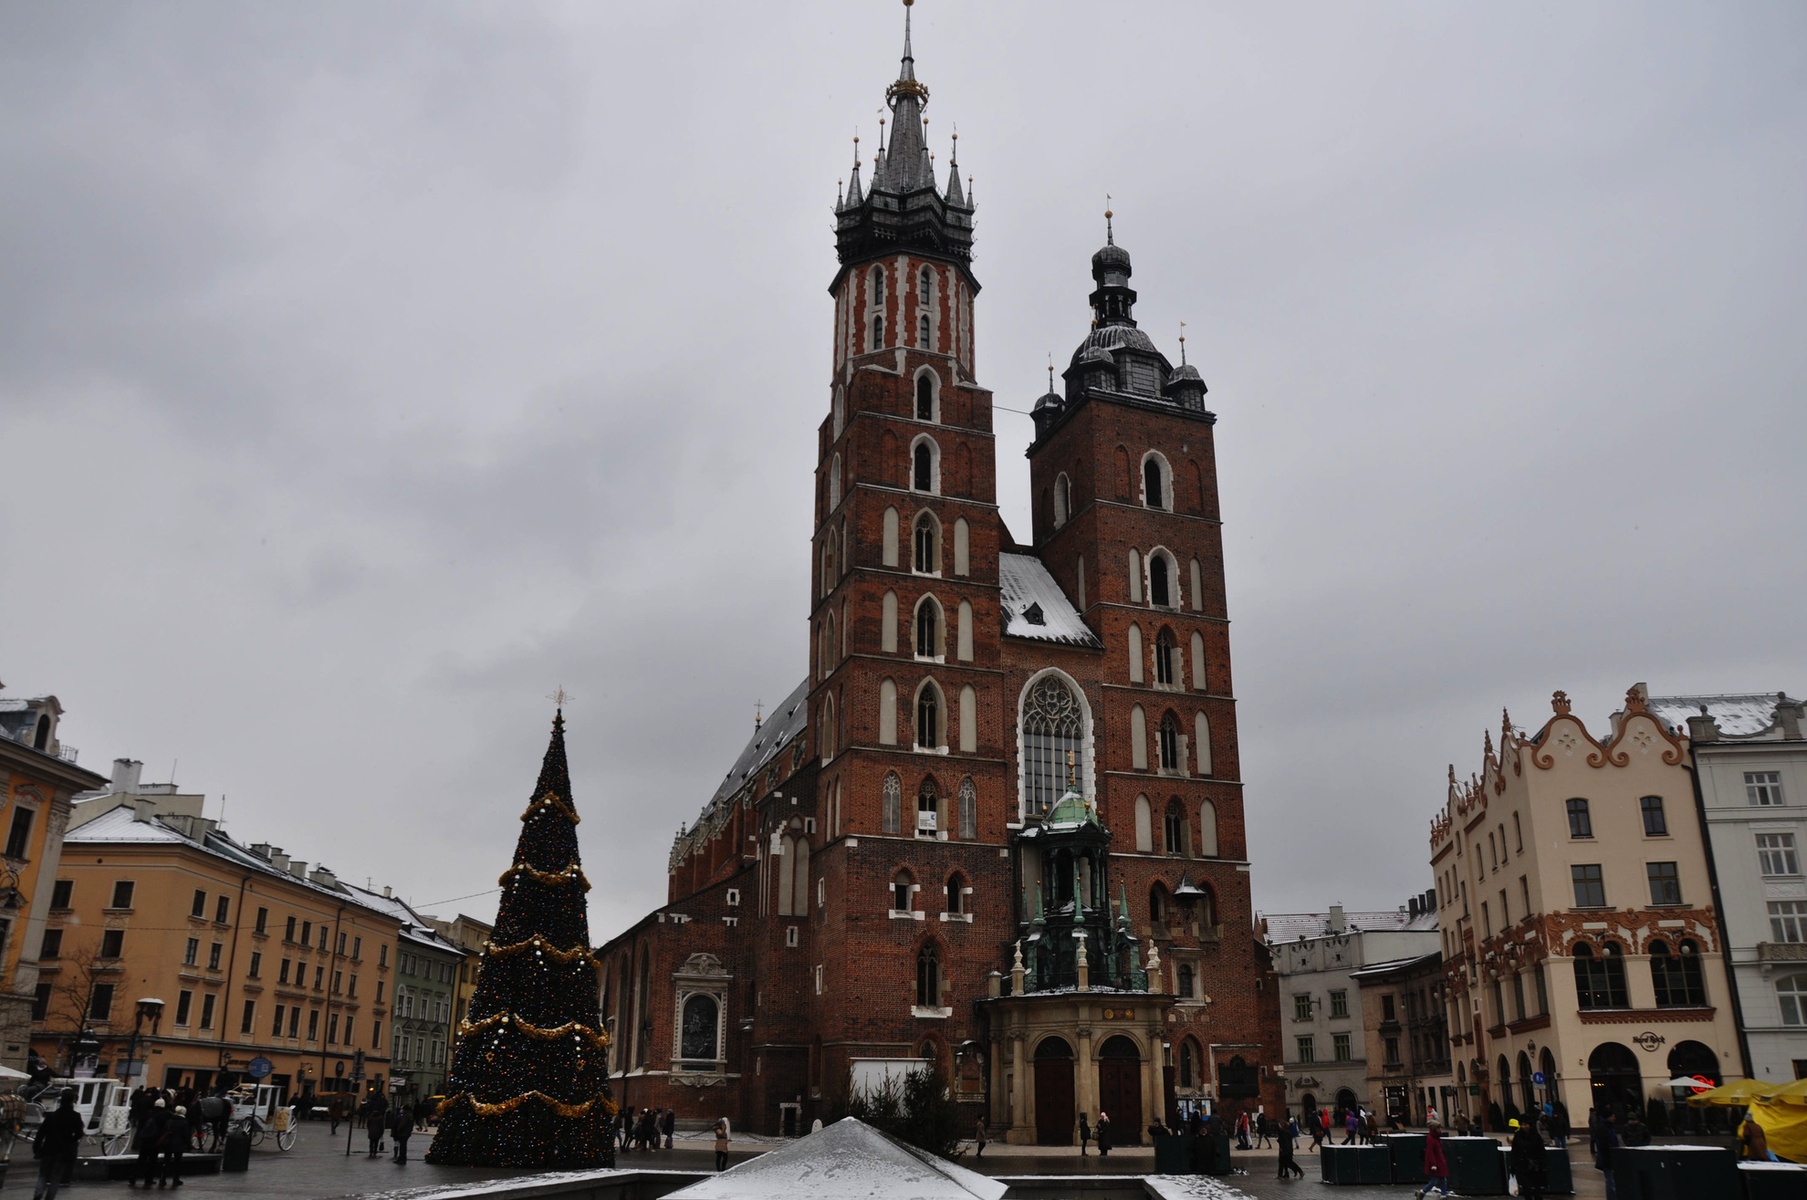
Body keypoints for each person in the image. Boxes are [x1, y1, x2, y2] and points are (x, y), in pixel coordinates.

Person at [32, 1089, 83, 1200]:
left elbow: (41, 1134)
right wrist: (70, 1141)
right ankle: (50, 1198)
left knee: (43, 1174)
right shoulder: (75, 1116)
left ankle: (37, 1195)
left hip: (48, 1149)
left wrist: (37, 1149)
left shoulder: (51, 1116)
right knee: (56, 1177)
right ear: (72, 1102)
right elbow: (79, 1133)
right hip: (62, 1151)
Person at [132, 1097, 169, 1189]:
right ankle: (148, 1179)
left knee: (141, 1159)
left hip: (145, 1140)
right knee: (152, 1161)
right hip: (155, 1141)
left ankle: (133, 1176)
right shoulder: (163, 1115)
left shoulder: (148, 1113)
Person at [1510, 1117, 1549, 1200]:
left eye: (1525, 1124)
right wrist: (1513, 1164)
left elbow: (1541, 1150)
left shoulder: (1536, 1136)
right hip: (1522, 1164)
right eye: (1522, 1125)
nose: (1523, 1126)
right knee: (1526, 1187)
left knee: (1536, 1187)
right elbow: (1514, 1150)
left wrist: (1543, 1163)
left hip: (1535, 1164)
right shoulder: (1518, 1136)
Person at [1414, 1119, 1451, 1199]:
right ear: (1434, 1129)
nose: (1440, 1130)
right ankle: (1422, 1192)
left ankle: (1443, 1195)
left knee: (1443, 1179)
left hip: (1440, 1161)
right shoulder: (1431, 1138)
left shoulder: (1436, 1137)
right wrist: (1433, 1164)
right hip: (1436, 1163)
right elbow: (1429, 1152)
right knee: (1435, 1181)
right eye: (1438, 1128)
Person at [160, 1104, 191, 1188]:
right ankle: (176, 1179)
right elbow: (186, 1135)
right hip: (179, 1144)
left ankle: (163, 1179)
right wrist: (188, 1144)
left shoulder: (169, 1121)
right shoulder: (184, 1122)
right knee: (177, 1162)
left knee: (166, 1161)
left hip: (168, 1143)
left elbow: (164, 1130)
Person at [1592, 1112, 1620, 1200]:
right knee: (1610, 1180)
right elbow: (1604, 1145)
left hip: (1610, 1157)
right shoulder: (1604, 1128)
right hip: (1607, 1158)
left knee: (1611, 1180)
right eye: (1612, 1116)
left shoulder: (1608, 1126)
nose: (1614, 1117)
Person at [1276, 1112, 1304, 1179]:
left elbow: (1286, 1143)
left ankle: (1299, 1171)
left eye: (1279, 1125)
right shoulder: (1284, 1132)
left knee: (1288, 1163)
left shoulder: (1284, 1133)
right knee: (1282, 1162)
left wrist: (1287, 1151)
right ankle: (1284, 1174)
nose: (1279, 1126)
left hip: (1286, 1150)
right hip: (1284, 1150)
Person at [365, 1090, 388, 1158]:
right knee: (376, 1142)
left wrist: (369, 1129)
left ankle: (371, 1151)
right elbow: (381, 1126)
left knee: (371, 1142)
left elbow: (368, 1124)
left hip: (371, 1130)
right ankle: (375, 1152)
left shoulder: (371, 1116)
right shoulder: (380, 1117)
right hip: (378, 1130)